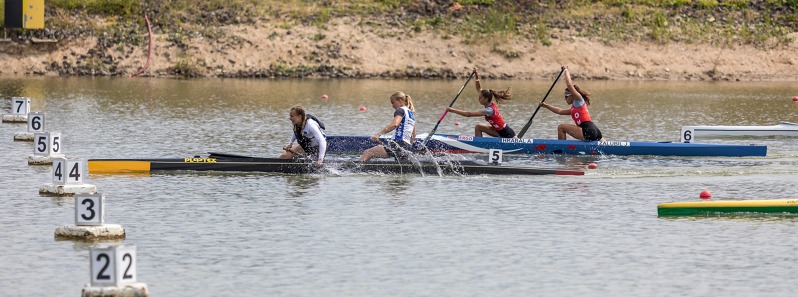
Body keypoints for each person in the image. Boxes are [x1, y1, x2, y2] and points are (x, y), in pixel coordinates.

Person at [446, 67, 517, 138]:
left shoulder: (488, 110)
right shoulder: (489, 102)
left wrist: (452, 110)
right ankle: (478, 145)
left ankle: (479, 145)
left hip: (507, 134)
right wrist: (476, 75)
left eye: (480, 98)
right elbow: (479, 88)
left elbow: (469, 114)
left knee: (478, 126)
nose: (478, 99)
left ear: (486, 99)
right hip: (497, 131)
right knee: (478, 127)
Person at [539, 66, 604, 141]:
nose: (565, 99)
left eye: (566, 96)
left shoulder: (578, 99)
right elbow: (559, 111)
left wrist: (566, 70)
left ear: (572, 95)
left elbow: (569, 85)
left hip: (587, 130)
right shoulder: (574, 108)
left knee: (561, 127)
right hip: (595, 131)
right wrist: (545, 106)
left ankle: (560, 149)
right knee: (606, 149)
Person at [359, 91, 417, 162]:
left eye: (393, 102)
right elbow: (413, 135)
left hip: (398, 143)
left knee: (368, 152)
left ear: (400, 100)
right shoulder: (411, 114)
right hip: (406, 147)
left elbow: (394, 124)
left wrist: (378, 134)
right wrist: (405, 147)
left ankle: (355, 169)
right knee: (400, 169)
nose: (392, 106)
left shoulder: (400, 110)